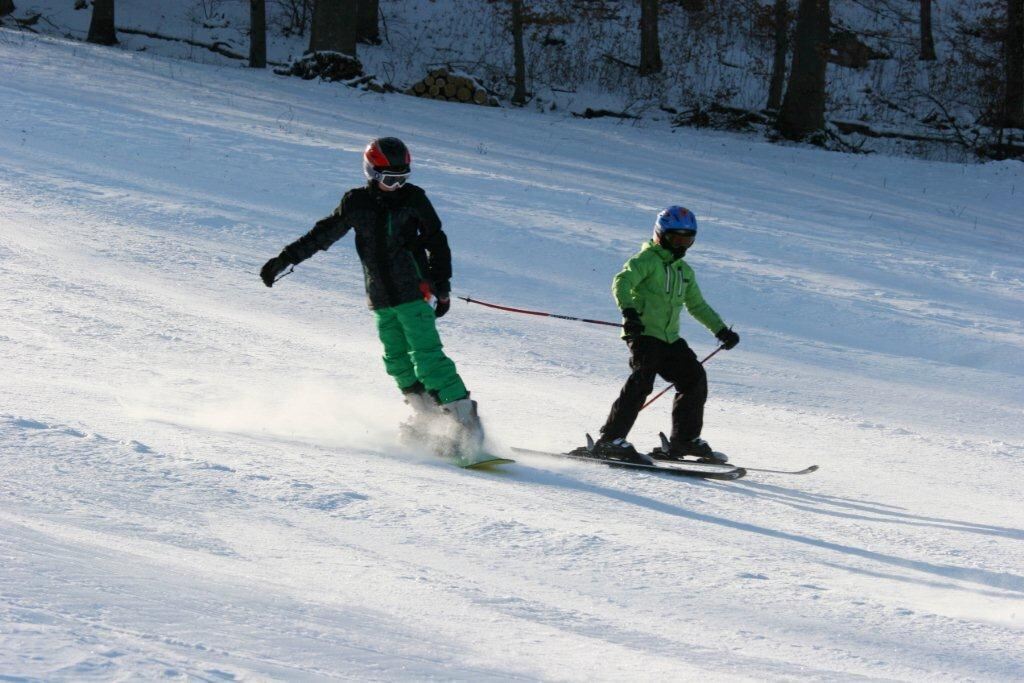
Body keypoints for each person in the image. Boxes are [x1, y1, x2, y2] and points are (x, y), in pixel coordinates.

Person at [259, 136, 483, 453]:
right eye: (391, 180)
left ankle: (465, 421)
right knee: (397, 362)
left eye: (403, 178)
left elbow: (436, 241)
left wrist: (441, 285)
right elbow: (322, 234)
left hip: (413, 292)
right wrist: (284, 259)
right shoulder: (356, 203)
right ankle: (429, 418)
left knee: (428, 358)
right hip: (379, 298)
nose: (397, 185)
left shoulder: (413, 199)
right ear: (372, 173)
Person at [593, 206, 740, 462]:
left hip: (670, 339)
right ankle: (610, 440)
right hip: (644, 334)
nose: (681, 245)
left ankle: (683, 441)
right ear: (660, 235)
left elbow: (697, 305)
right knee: (642, 380)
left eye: (687, 239)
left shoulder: (684, 272)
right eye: (676, 238)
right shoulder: (646, 261)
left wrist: (721, 330)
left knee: (694, 378)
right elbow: (622, 282)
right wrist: (630, 313)